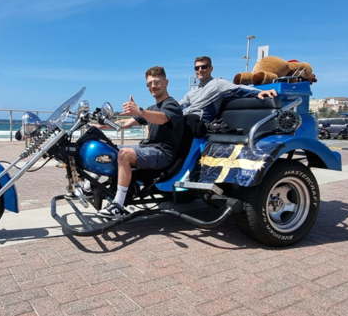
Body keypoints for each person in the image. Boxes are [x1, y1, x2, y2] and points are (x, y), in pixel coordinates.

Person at [94, 66, 183, 218]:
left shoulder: (171, 105)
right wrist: (103, 126)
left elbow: (162, 118)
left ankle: (118, 205)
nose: (152, 86)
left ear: (166, 82)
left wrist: (140, 111)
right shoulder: (152, 108)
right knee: (106, 149)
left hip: (162, 154)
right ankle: (89, 186)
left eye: (156, 82)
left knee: (125, 154)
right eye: (149, 84)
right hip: (148, 149)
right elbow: (127, 123)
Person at [180, 56, 278, 122]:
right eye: (197, 68)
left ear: (211, 68)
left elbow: (238, 88)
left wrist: (259, 92)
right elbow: (179, 105)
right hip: (187, 119)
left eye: (204, 67)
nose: (200, 70)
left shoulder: (218, 84)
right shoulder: (192, 91)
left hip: (200, 123)